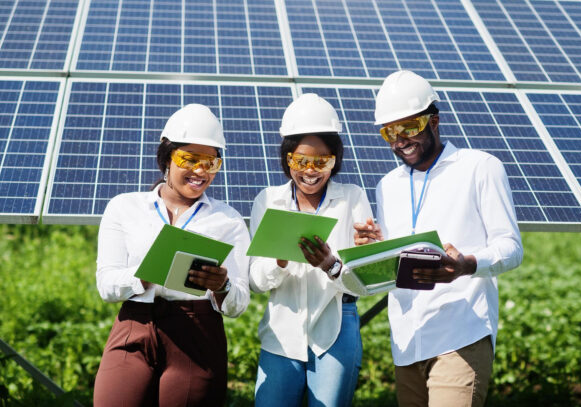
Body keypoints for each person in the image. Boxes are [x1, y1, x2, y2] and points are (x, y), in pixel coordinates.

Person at [353, 70, 523, 407]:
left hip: (460, 333)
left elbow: (511, 247)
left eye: (408, 128)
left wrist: (467, 265)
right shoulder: (387, 186)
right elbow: (396, 262)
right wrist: (374, 249)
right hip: (406, 341)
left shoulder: (480, 167)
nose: (399, 140)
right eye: (390, 132)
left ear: (434, 121)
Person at [93, 103, 250, 407]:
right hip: (133, 326)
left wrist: (223, 286)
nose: (200, 171)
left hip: (198, 333)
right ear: (167, 158)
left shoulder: (228, 221)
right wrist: (143, 275)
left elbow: (238, 304)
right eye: (189, 159)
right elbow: (106, 284)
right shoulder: (125, 207)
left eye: (211, 162)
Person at [249, 93, 373, 407]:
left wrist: (335, 264)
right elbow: (255, 282)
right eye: (301, 161)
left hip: (337, 323)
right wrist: (278, 260)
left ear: (336, 160)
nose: (311, 171)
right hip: (282, 328)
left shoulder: (352, 198)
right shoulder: (268, 200)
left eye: (322, 162)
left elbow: (364, 283)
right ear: (287, 157)